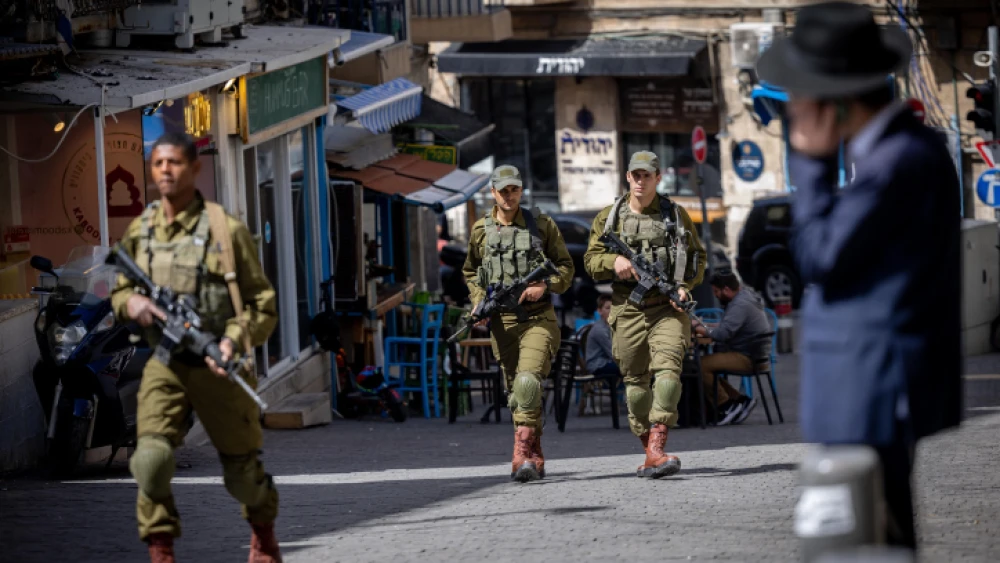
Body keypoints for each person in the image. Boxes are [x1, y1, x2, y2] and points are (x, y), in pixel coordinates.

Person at [756, 1, 962, 550]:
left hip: (875, 385)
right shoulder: (895, 153)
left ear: (836, 103)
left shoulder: (898, 160)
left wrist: (812, 163)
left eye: (801, 97)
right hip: (865, 381)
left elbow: (821, 254)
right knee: (873, 532)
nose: (794, 111)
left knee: (865, 537)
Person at [110, 132, 282, 563]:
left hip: (218, 364)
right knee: (150, 461)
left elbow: (263, 303)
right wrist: (131, 302)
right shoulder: (142, 229)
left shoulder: (225, 230)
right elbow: (120, 291)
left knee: (243, 474)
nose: (165, 170)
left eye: (175, 163)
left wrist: (231, 339)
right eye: (158, 164)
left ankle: (263, 534)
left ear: (195, 168)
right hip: (166, 365)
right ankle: (160, 548)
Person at [584, 151, 706, 479]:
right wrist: (614, 263)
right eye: (635, 175)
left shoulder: (675, 215)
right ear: (627, 177)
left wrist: (683, 288)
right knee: (636, 386)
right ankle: (648, 449)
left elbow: (697, 258)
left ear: (657, 178)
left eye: (647, 176)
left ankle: (658, 446)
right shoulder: (609, 218)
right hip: (627, 309)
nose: (640, 181)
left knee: (668, 374)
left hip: (667, 309)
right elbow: (591, 261)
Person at [461, 164, 574, 483]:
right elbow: (471, 272)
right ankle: (535, 453)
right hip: (503, 324)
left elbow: (565, 267)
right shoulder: (481, 231)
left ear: (521, 191)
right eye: (503, 190)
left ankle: (520, 455)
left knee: (526, 382)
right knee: (517, 392)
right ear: (493, 192)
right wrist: (478, 301)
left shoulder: (541, 224)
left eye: (515, 190)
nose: (510, 196)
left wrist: (545, 286)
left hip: (538, 319)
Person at [690, 271, 767, 426]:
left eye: (716, 292)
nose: (716, 296)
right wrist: (705, 326)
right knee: (708, 364)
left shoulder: (740, 305)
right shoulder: (743, 298)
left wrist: (698, 329)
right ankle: (739, 400)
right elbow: (727, 327)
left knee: (700, 365)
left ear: (726, 290)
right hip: (753, 354)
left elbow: (722, 334)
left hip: (749, 358)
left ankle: (727, 406)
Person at [580, 293, 618, 416]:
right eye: (607, 308)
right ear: (600, 311)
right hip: (598, 364)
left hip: (606, 361)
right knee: (631, 369)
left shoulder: (610, 327)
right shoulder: (600, 329)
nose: (611, 311)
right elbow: (613, 353)